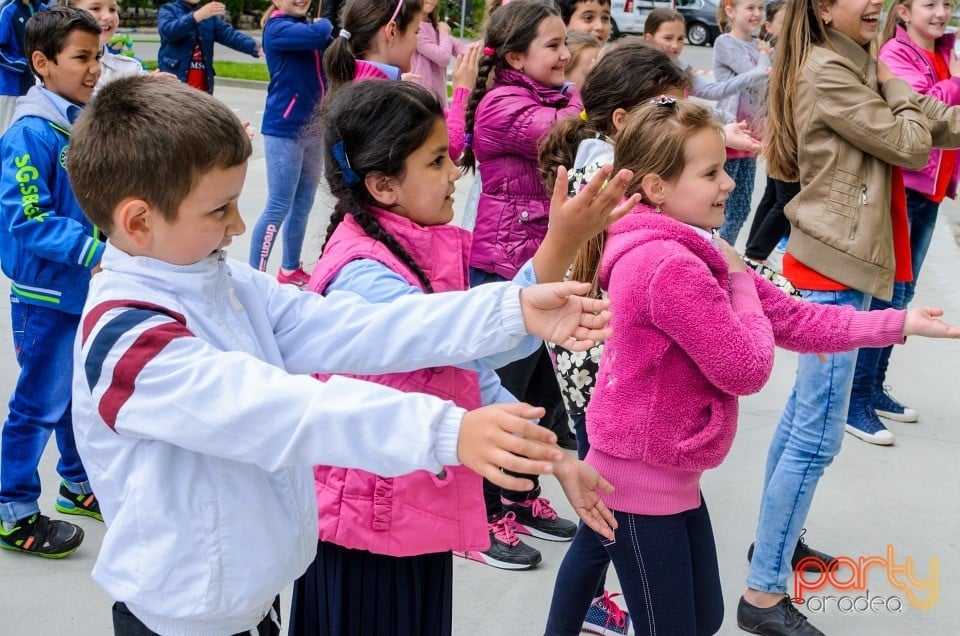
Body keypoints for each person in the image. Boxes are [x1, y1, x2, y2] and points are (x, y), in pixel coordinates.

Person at [66, 74, 617, 636]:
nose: (238, 224)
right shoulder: (125, 337)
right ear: (139, 222)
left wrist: (510, 308)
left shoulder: (218, 278)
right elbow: (280, 411)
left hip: (246, 604)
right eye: (220, 209)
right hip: (182, 620)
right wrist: (445, 431)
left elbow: (351, 326)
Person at [547, 97, 960, 636]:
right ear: (656, 188)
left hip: (663, 472)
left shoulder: (692, 247)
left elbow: (791, 319)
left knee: (703, 616)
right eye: (712, 172)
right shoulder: (669, 264)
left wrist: (898, 324)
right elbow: (746, 368)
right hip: (636, 480)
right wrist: (740, 279)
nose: (730, 183)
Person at [290, 79, 633, 636]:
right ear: (382, 185)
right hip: (369, 528)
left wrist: (557, 459)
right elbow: (475, 339)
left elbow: (466, 372)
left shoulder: (415, 245)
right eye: (436, 161)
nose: (456, 172)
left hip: (408, 512)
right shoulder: (365, 276)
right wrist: (560, 243)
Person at [741, 0, 960, 630]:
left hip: (849, 260)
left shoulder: (854, 60)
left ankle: (777, 547)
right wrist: (896, 83)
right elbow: (909, 143)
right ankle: (762, 596)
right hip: (833, 267)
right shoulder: (830, 70)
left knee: (801, 423)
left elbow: (933, 122)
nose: (877, 4)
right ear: (823, 7)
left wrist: (902, 91)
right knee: (815, 437)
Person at [460, 0, 582, 568]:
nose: (566, 54)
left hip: (542, 267)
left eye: (567, 43)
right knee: (502, 404)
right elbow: (571, 136)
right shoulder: (505, 106)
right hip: (507, 268)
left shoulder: (556, 96)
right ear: (515, 56)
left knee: (537, 398)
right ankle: (482, 516)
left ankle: (520, 494)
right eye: (553, 46)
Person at [0, 6, 104, 559]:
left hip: (80, 289)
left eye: (98, 55)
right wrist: (94, 250)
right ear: (42, 62)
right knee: (37, 404)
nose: (94, 68)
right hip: (44, 296)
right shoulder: (31, 132)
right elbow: (28, 218)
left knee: (74, 396)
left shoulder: (79, 116)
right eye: (81, 57)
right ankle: (13, 509)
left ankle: (77, 485)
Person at [845, 0, 960, 438]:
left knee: (902, 294)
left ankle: (873, 388)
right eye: (929, 3)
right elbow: (920, 113)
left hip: (930, 192)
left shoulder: (943, 54)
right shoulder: (895, 55)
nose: (941, 12)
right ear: (904, 13)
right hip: (904, 189)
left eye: (947, 4)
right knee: (884, 295)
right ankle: (855, 401)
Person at [247, 0, 332, 286]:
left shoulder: (304, 27)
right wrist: (327, 18)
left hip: (314, 129)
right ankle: (255, 277)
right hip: (283, 130)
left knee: (303, 204)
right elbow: (322, 34)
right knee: (279, 205)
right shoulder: (277, 27)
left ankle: (290, 269)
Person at [643, 7, 766, 123]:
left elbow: (713, 90)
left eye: (680, 38)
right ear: (649, 38)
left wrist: (753, 74)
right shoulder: (639, 71)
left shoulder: (681, 69)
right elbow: (671, 106)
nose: (675, 45)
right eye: (668, 38)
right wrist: (723, 116)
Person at [742, 0, 796, 265]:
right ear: (770, 27)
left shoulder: (783, 54)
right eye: (784, 24)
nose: (790, 29)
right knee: (786, 199)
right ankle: (756, 254)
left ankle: (753, 253)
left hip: (776, 134)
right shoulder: (778, 58)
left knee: (774, 195)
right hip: (779, 135)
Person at [713, 0, 770, 245]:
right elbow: (757, 79)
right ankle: (715, 254)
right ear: (730, 11)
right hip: (731, 135)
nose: (757, 13)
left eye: (760, 7)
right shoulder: (725, 43)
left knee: (742, 207)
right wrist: (765, 56)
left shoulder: (757, 46)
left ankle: (726, 254)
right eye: (750, 7)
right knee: (722, 205)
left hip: (751, 138)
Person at [157, 0, 260, 94]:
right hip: (174, 85)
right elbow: (168, 32)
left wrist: (256, 47)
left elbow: (230, 35)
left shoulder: (209, 16)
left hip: (202, 84)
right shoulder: (168, 10)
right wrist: (196, 17)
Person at [0, 0, 44, 132]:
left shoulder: (43, 9)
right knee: (6, 131)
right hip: (10, 88)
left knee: (27, 131)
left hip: (37, 87)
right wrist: (24, 65)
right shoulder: (8, 10)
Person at [411, 0, 467, 102]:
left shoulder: (435, 26)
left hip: (438, 99)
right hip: (420, 99)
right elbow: (443, 57)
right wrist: (444, 32)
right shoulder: (414, 28)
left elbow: (464, 49)